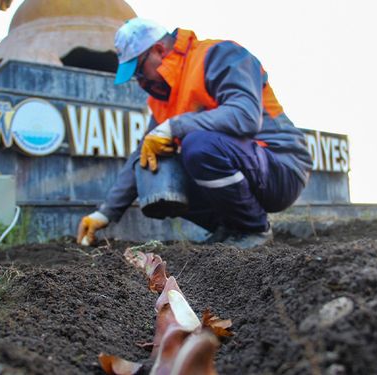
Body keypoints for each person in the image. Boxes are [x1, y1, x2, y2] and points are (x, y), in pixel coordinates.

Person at [77, 18, 312, 249]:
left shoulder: (218, 55)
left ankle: (253, 229)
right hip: (248, 166)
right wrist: (105, 213)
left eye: (139, 72)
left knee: (198, 145)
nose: (140, 82)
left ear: (158, 51)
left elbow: (246, 116)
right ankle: (230, 226)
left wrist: (175, 127)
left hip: (281, 166)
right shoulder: (165, 98)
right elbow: (142, 154)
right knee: (153, 163)